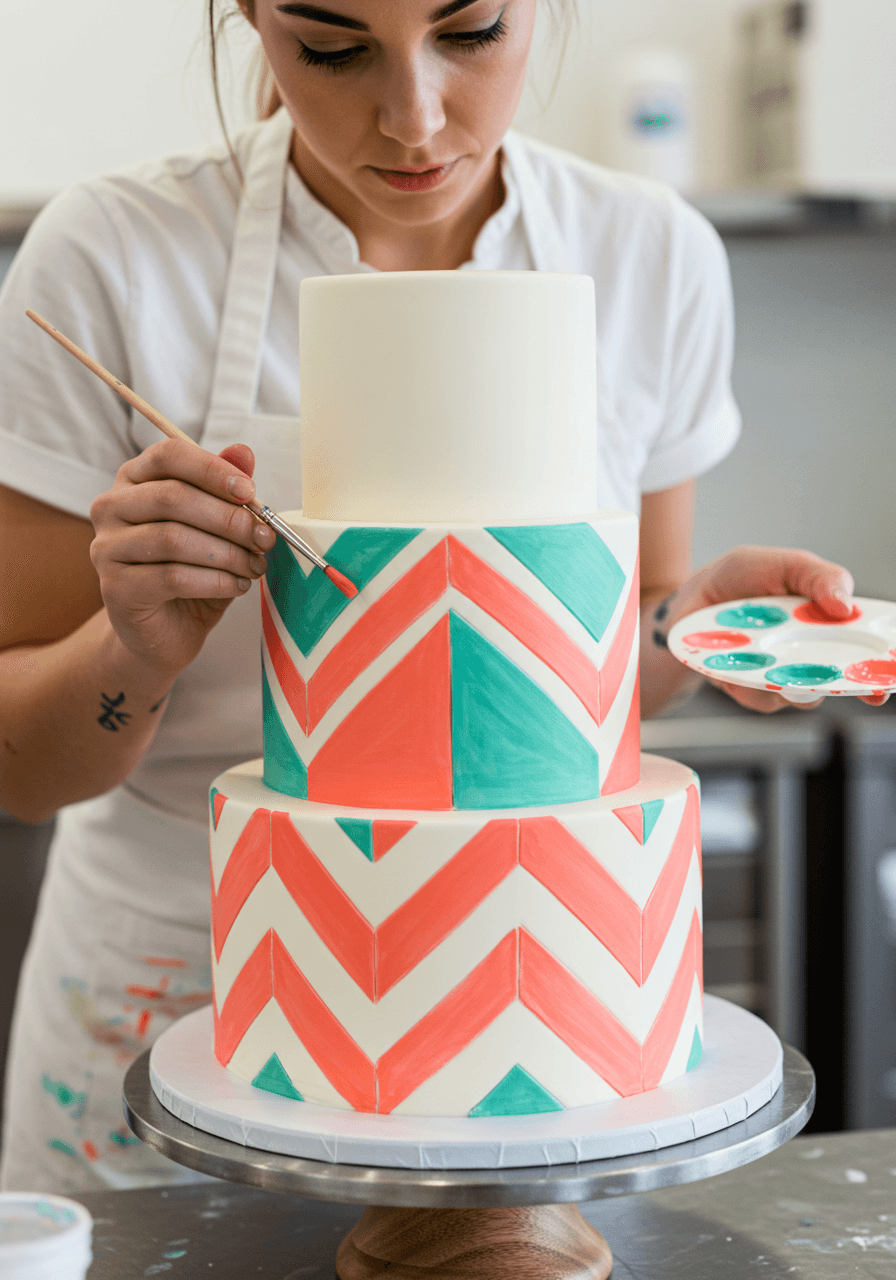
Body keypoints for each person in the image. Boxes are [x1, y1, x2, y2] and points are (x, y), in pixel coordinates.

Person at [0, 0, 874, 1194]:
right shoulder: (119, 254)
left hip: (528, 1046)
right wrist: (131, 648)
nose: (412, 117)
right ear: (253, 18)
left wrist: (682, 620)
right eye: (332, 45)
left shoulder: (645, 257)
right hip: (170, 982)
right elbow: (16, 765)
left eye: (469, 33)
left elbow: (593, 691)